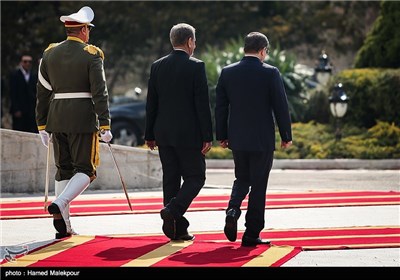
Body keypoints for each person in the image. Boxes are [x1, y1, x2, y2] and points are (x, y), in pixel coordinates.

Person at [36, 6, 112, 239]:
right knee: (86, 170)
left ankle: (64, 224)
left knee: (64, 170)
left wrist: (41, 124)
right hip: (82, 118)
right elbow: (100, 92)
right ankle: (61, 203)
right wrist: (105, 124)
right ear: (82, 31)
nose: (88, 33)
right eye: (87, 29)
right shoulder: (91, 54)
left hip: (56, 119)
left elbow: (42, 92)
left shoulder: (49, 53)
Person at [215, 32, 292, 247]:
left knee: (242, 178)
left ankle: (233, 209)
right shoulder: (270, 73)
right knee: (259, 185)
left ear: (244, 49)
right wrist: (286, 135)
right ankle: (251, 234)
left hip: (237, 139)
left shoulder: (228, 72)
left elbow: (220, 107)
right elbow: (281, 106)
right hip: (262, 140)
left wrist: (222, 135)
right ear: (262, 51)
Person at [144, 23, 213, 241]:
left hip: (163, 132)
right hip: (189, 134)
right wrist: (207, 136)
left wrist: (149, 134)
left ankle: (176, 229)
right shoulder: (196, 66)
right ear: (190, 42)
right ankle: (173, 211)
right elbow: (202, 104)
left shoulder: (157, 66)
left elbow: (151, 103)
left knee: (171, 179)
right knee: (196, 177)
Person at [9, 54, 38, 133]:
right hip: (19, 110)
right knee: (18, 132)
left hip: (30, 110)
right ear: (21, 62)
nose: (27, 63)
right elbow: (13, 93)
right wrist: (16, 109)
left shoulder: (33, 75)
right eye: (25, 61)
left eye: (29, 62)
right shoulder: (15, 75)